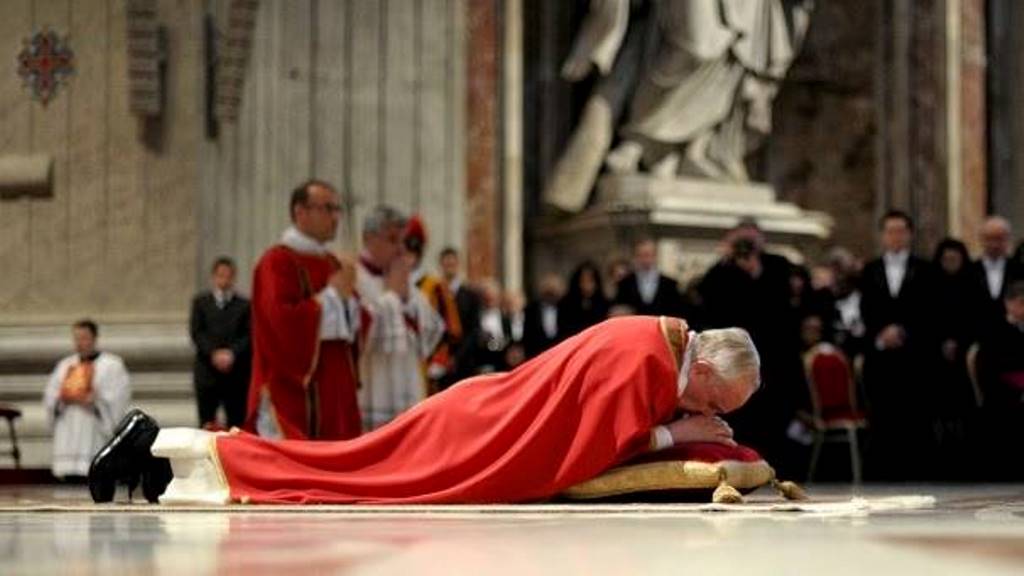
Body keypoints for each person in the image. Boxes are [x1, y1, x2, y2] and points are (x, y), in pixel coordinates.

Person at [88, 315, 760, 505]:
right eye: (714, 399)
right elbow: (587, 458)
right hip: (474, 432)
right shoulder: (644, 360)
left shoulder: (655, 339)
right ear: (701, 368)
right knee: (338, 476)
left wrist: (683, 425)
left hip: (479, 414)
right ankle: (161, 443)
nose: (709, 409)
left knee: (338, 467)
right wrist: (681, 432)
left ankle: (162, 466)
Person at [246, 180, 361, 441]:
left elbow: (353, 329)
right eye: (327, 209)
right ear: (300, 212)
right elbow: (280, 324)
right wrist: (332, 297)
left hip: (334, 394)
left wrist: (350, 303)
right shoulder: (277, 262)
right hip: (292, 392)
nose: (335, 217)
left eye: (337, 209)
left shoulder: (332, 262)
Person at [859, 209, 937, 480]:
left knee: (914, 414)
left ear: (910, 234)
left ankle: (916, 470)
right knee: (883, 413)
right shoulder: (870, 270)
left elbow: (930, 311)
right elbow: (865, 310)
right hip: (881, 355)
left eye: (901, 231)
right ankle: (883, 472)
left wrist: (903, 331)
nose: (896, 236)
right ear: (883, 235)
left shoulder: (925, 269)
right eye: (890, 231)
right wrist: (881, 335)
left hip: (914, 353)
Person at [356, 206, 445, 429]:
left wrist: (407, 300)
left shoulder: (401, 277)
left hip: (408, 388)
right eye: (392, 240)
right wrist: (393, 297)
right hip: (372, 389)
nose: (399, 249)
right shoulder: (355, 277)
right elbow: (358, 334)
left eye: (401, 241)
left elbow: (433, 329)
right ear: (368, 238)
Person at [43, 320, 130, 480]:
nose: (80, 343)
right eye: (76, 338)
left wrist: (97, 401)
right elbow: (50, 396)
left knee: (95, 472)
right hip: (69, 425)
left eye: (84, 338)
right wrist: (61, 399)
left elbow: (118, 397)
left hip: (93, 428)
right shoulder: (65, 365)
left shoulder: (112, 365)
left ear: (95, 338)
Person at [189, 257, 251, 430]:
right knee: (206, 423)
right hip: (207, 372)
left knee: (237, 423)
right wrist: (214, 354)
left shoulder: (244, 305)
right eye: (220, 275)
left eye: (228, 276)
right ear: (213, 277)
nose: (224, 280)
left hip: (236, 373)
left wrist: (231, 354)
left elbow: (248, 335)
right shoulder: (201, 303)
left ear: (233, 277)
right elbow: (197, 333)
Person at [403, 217, 463, 395]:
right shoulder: (391, 282)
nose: (408, 258)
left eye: (412, 253)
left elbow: (451, 329)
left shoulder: (434, 285)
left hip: (425, 364)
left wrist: (439, 360)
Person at [975, 281, 1024, 480]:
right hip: (1003, 395)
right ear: (1008, 303)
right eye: (1021, 302)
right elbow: (989, 369)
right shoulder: (993, 329)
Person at [970, 216, 1023, 338]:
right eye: (989, 239)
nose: (994, 245)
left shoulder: (1020, 270)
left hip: (1014, 339)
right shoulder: (969, 271)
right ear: (981, 240)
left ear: (1008, 239)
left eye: (999, 239)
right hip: (977, 337)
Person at [439, 246, 481, 386]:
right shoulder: (435, 295)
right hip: (440, 363)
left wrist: (457, 358)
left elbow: (474, 330)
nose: (449, 267)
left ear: (458, 265)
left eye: (452, 264)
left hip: (464, 363)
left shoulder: (471, 296)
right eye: (446, 264)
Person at [613, 238, 685, 316]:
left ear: (655, 256)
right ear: (635, 257)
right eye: (640, 255)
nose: (645, 260)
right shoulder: (625, 284)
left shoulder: (670, 284)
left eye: (647, 255)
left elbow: (677, 312)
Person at [559, 261, 611, 337]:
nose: (586, 285)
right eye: (583, 281)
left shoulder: (604, 303)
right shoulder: (566, 304)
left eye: (590, 281)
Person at [522, 273, 566, 359]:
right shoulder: (531, 309)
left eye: (554, 290)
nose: (551, 293)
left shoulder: (566, 309)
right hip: (537, 354)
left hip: (560, 353)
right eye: (548, 290)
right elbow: (527, 334)